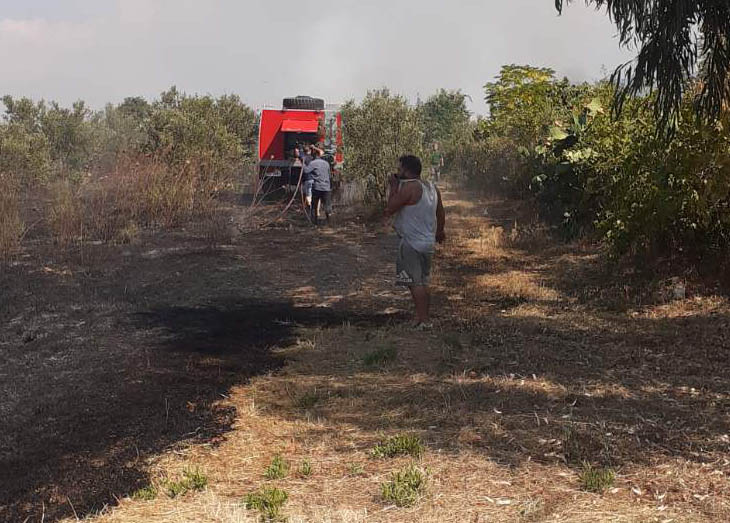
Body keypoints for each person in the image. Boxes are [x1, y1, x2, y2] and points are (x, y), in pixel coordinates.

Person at [385, 155, 446, 329]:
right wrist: (440, 231)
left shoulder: (409, 188)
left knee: (414, 283)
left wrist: (394, 187)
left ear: (405, 169)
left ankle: (424, 320)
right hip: (427, 243)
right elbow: (440, 213)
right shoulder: (432, 187)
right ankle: (422, 317)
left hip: (412, 243)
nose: (398, 171)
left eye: (399, 168)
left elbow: (389, 208)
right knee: (423, 282)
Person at [303, 146, 332, 225]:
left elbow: (306, 171)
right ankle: (329, 221)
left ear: (314, 155)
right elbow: (329, 176)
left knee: (314, 205)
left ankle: (314, 222)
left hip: (317, 188)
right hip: (326, 188)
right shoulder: (326, 163)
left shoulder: (313, 163)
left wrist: (302, 161)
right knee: (327, 206)